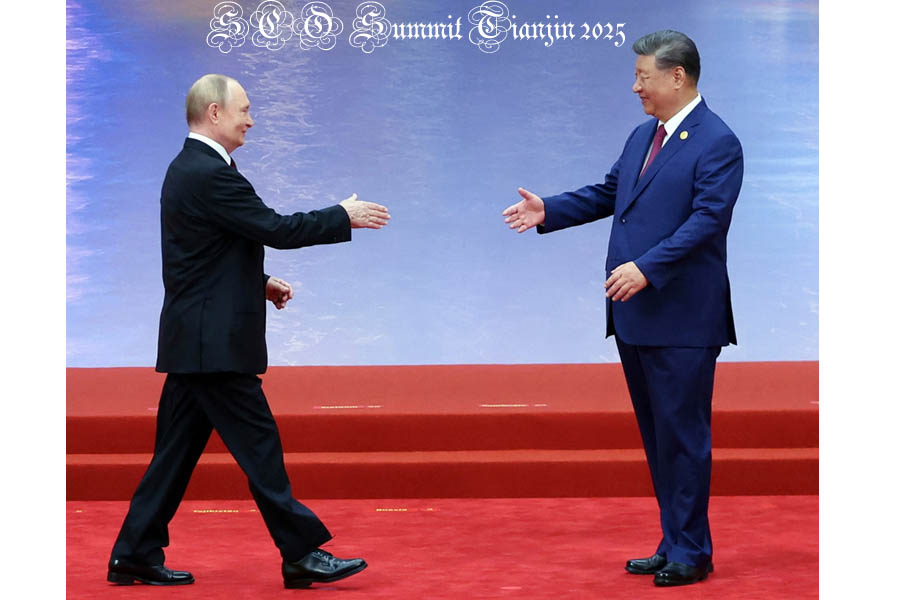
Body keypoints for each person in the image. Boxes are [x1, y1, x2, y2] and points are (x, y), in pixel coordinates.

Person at [107, 74, 391, 589]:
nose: (251, 119)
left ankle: (134, 553)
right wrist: (341, 215)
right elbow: (275, 228)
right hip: (213, 348)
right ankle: (301, 552)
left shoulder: (193, 169)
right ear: (214, 113)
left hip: (196, 341)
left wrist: (257, 283)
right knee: (259, 448)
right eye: (244, 109)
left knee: (172, 457)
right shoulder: (208, 173)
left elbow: (203, 253)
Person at [503, 30, 742, 587]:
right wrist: (551, 210)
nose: (635, 86)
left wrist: (647, 267)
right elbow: (614, 192)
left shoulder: (718, 141)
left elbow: (708, 221)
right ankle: (675, 539)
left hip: (682, 316)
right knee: (659, 438)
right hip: (635, 313)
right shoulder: (643, 135)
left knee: (683, 437)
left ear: (676, 76)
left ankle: (693, 551)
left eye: (643, 76)